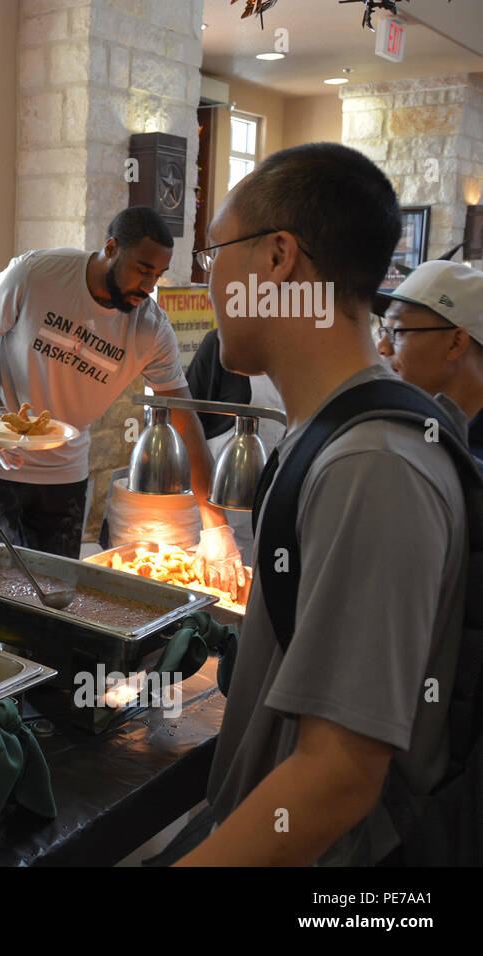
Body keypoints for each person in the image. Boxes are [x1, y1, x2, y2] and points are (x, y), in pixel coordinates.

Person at [176, 142, 467, 866]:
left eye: (215, 254)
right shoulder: (331, 429)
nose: (208, 283)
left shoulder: (372, 465)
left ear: (278, 260)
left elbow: (336, 779)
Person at [0, 207, 243, 588]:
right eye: (142, 270)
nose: (149, 286)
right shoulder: (39, 273)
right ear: (111, 248)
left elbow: (183, 417)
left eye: (157, 275)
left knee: (52, 599)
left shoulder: (150, 330)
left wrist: (214, 525)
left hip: (64, 476)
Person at [185, 327, 286, 555]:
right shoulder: (220, 344)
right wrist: (214, 524)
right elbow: (186, 424)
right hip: (217, 521)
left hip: (276, 512)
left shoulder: (306, 355)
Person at [376, 259, 483, 460]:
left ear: (456, 343)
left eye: (396, 331)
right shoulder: (425, 428)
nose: (382, 347)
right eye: (384, 330)